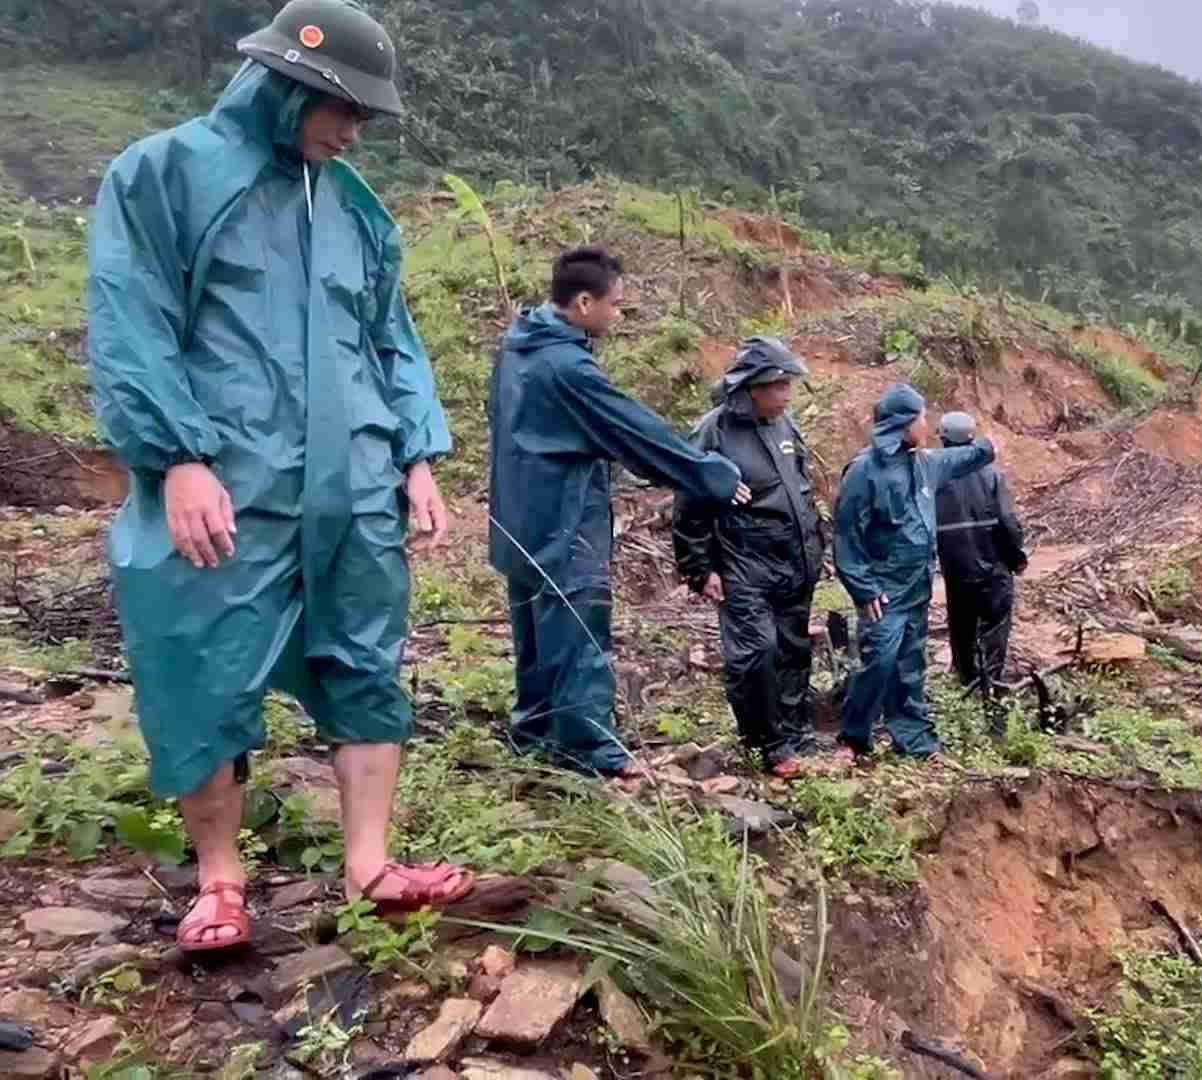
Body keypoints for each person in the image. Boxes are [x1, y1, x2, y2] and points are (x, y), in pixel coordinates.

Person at [88, 0, 469, 953]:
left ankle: (372, 866)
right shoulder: (168, 175)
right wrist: (177, 458)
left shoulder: (352, 209)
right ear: (289, 86)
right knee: (200, 662)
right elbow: (133, 320)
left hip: (353, 487)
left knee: (366, 658)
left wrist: (416, 455)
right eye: (345, 112)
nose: (355, 133)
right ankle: (219, 882)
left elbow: (392, 338)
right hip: (228, 481)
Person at [488, 247, 747, 784]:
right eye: (616, 305)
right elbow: (633, 433)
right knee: (581, 632)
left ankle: (534, 734)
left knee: (537, 635)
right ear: (583, 302)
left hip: (518, 517)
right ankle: (589, 750)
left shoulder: (517, 348)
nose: (618, 315)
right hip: (563, 518)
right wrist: (712, 474)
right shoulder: (567, 368)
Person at [672, 338, 831, 778]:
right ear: (753, 387)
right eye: (779, 385)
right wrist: (698, 568)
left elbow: (800, 487)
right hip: (743, 564)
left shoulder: (785, 425)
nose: (787, 394)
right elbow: (688, 502)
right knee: (754, 653)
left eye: (788, 384)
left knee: (794, 649)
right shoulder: (715, 430)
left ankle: (795, 732)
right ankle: (767, 741)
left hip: (795, 560)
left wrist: (816, 544)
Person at [833, 385, 995, 762]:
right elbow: (846, 536)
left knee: (910, 663)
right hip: (883, 592)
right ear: (904, 423)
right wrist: (863, 588)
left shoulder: (923, 464)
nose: (927, 423)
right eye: (921, 417)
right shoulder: (863, 471)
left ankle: (915, 740)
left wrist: (988, 448)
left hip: (917, 586)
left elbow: (961, 459)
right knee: (879, 660)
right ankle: (854, 737)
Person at [932, 412, 1027, 733]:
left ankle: (965, 685)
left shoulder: (932, 477)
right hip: (993, 570)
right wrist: (1018, 558)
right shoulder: (991, 475)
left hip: (956, 572)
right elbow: (1007, 523)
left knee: (961, 629)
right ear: (972, 439)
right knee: (995, 630)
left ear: (943, 438)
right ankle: (992, 693)